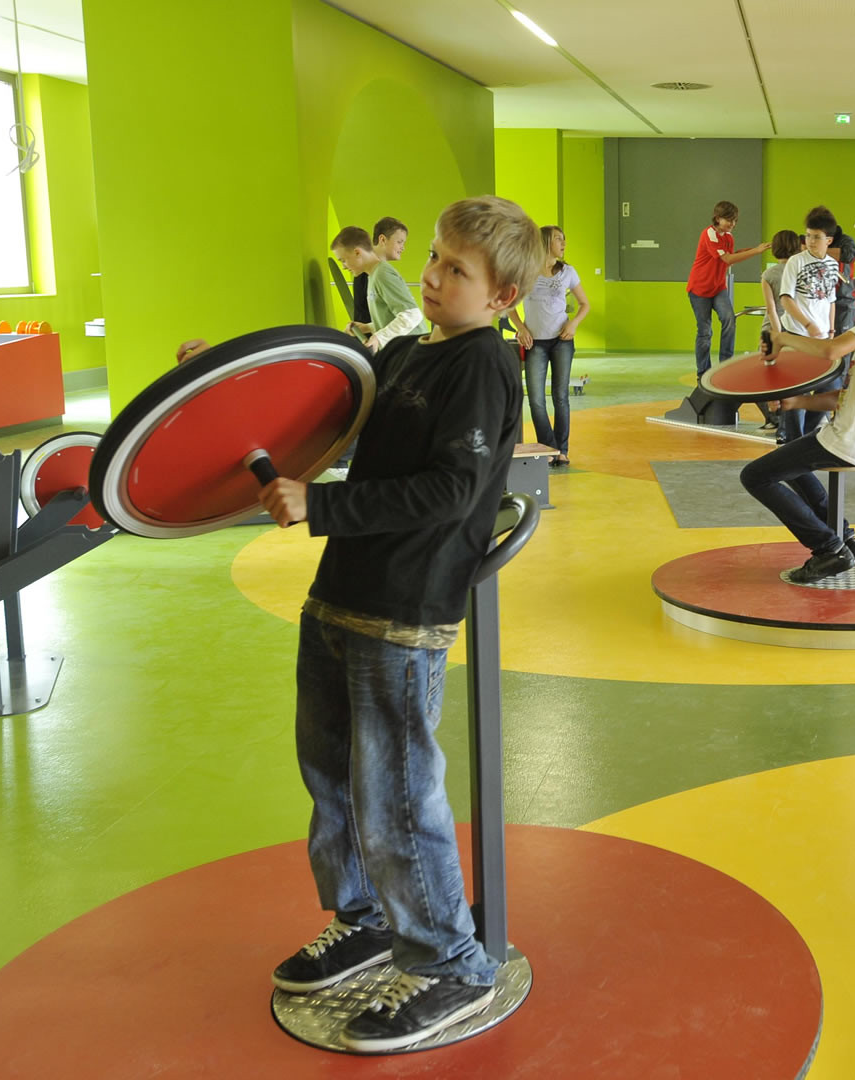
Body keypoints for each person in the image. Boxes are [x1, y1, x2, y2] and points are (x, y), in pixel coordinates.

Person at [177, 197, 536, 1054]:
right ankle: (367, 918)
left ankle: (450, 962)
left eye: (458, 271)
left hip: (404, 610)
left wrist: (324, 504)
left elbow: (452, 491)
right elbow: (325, 419)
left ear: (503, 296)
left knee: (396, 799)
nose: (435, 276)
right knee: (329, 772)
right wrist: (221, 385)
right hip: (341, 592)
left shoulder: (483, 366)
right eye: (437, 258)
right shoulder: (411, 349)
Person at [740, 241, 855, 583]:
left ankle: (828, 548)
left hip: (851, 441)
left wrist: (784, 338)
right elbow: (844, 397)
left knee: (755, 476)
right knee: (788, 461)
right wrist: (797, 403)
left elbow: (831, 349)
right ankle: (845, 538)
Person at [510, 224, 590, 467]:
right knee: (535, 398)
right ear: (545, 242)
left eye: (564, 239)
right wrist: (521, 328)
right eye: (558, 239)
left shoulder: (568, 271)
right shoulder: (525, 271)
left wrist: (574, 323)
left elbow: (584, 304)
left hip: (562, 341)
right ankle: (549, 447)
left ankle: (562, 450)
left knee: (560, 396)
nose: (563, 243)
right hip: (535, 343)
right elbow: (509, 305)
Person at [777, 207, 843, 442]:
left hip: (823, 339)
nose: (811, 241)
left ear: (829, 240)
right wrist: (807, 323)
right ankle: (792, 440)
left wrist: (831, 330)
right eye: (808, 236)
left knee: (830, 386)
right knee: (798, 389)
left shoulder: (834, 265)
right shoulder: (796, 261)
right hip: (797, 334)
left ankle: (807, 435)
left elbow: (831, 300)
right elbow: (786, 298)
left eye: (817, 237)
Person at [687, 201, 769, 376]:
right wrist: (756, 252)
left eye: (735, 220)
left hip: (718, 288)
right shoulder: (709, 234)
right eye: (728, 220)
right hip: (699, 289)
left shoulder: (728, 236)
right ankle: (703, 373)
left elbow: (731, 255)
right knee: (705, 332)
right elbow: (727, 260)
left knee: (729, 319)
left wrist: (756, 248)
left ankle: (725, 366)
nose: (732, 224)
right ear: (717, 218)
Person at [332, 226, 422, 352]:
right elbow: (390, 319)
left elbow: (412, 315)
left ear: (357, 252)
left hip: (411, 352)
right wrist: (367, 327)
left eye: (343, 260)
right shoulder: (372, 276)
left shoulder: (382, 274)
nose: (343, 267)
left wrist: (378, 338)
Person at [755, 229, 804, 433]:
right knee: (792, 379)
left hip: (772, 329)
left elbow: (771, 308)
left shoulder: (769, 274)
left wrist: (777, 333)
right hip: (797, 328)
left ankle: (773, 419)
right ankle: (789, 424)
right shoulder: (800, 271)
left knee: (764, 377)